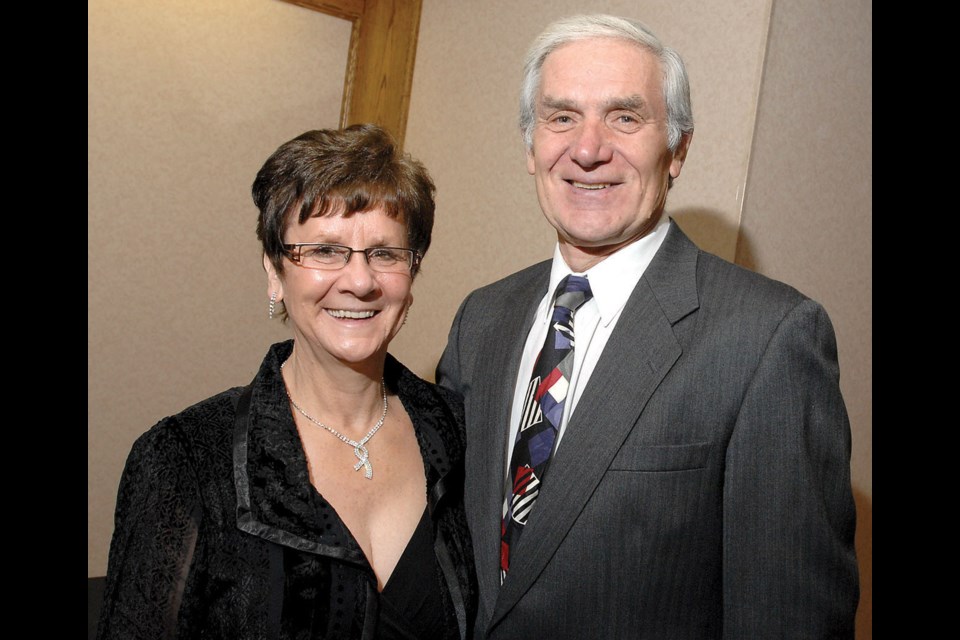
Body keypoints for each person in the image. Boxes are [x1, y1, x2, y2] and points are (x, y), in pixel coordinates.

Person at [436, 14, 859, 639]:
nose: (587, 148)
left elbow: (788, 618)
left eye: (625, 117)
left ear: (678, 149)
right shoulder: (482, 318)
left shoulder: (770, 338)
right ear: (530, 148)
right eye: (561, 117)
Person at [97, 124, 477, 640]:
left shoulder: (462, 434)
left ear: (410, 277)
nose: (360, 281)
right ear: (275, 273)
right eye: (324, 251)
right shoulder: (185, 460)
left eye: (385, 254)